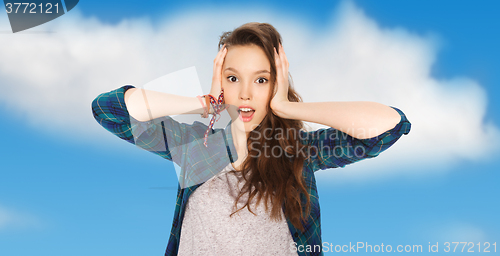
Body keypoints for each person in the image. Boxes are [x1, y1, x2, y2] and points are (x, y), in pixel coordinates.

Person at [91, 22, 411, 256]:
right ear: (221, 83)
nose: (245, 93)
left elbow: (389, 127)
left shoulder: (298, 153)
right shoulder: (195, 147)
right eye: (233, 78)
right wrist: (201, 103)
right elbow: (109, 110)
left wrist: (289, 106)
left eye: (261, 79)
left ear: (275, 85)